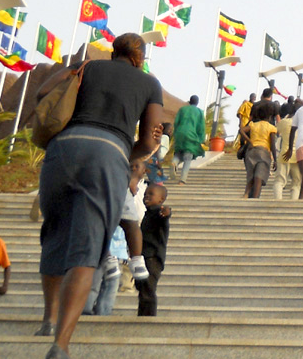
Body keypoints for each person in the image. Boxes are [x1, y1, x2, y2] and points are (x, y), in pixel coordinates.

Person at [35, 33, 163, 359]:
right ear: (140, 56)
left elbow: (42, 92)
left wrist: (76, 69)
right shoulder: (149, 83)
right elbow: (149, 141)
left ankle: (48, 319)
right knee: (86, 250)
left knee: (54, 234)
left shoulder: (87, 68)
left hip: (63, 148)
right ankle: (60, 344)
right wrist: (123, 150)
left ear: (114, 51)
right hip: (108, 155)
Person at [135, 184, 170, 317]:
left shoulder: (158, 212)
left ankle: (148, 317)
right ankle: (142, 315)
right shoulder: (148, 213)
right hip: (145, 256)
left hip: (153, 258)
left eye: (150, 194)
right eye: (145, 194)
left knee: (148, 289)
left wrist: (167, 212)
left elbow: (165, 216)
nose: (146, 197)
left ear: (161, 199)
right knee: (143, 289)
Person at [240, 102, 279, 199]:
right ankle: (255, 198)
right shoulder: (271, 127)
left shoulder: (253, 124)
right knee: (259, 176)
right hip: (263, 152)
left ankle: (246, 193)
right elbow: (273, 145)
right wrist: (275, 159)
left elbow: (241, 130)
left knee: (251, 174)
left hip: (251, 151)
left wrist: (249, 141)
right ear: (270, 116)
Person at [171, 95, 206, 185]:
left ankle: (174, 162)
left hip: (179, 133)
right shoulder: (199, 112)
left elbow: (176, 122)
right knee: (187, 157)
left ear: (189, 101)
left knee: (178, 152)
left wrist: (176, 134)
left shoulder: (182, 110)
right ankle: (182, 180)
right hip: (191, 135)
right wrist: (201, 139)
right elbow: (201, 127)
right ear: (197, 103)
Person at [272, 102, 301, 200]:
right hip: (298, 156)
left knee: (279, 181)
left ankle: (278, 201)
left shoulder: (285, 122)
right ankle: (293, 203)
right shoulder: (302, 123)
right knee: (296, 183)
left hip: (284, 154)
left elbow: (276, 130)